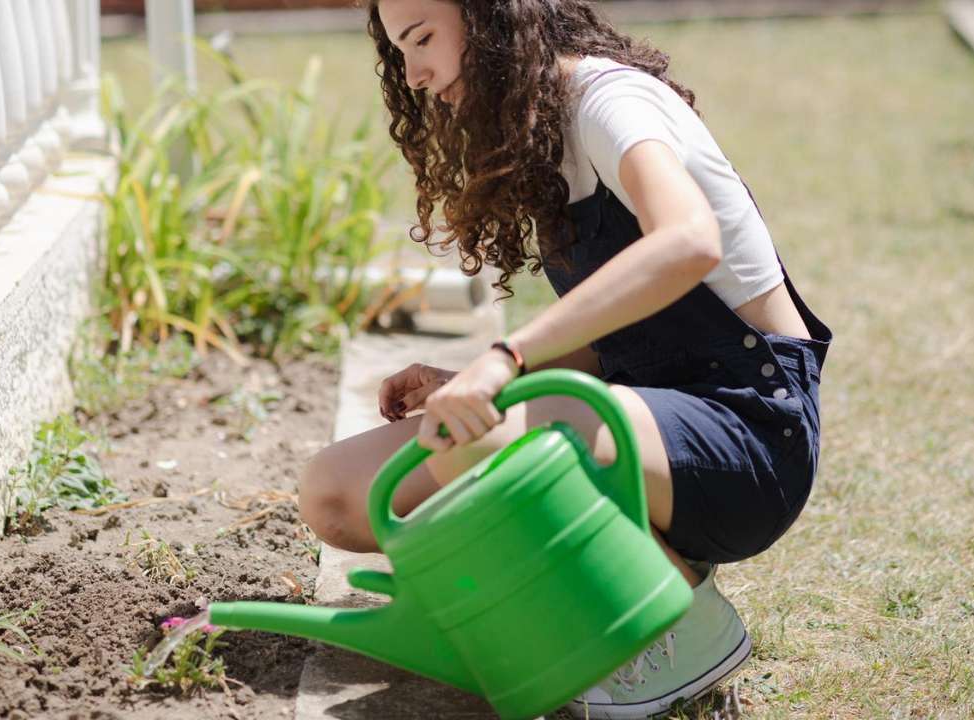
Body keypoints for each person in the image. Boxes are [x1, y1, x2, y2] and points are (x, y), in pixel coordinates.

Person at [298, 0, 833, 717]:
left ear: (491, 17)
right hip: (642, 424)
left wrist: (506, 356)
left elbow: (689, 242)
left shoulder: (610, 100)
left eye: (423, 38)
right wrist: (473, 381)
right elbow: (625, 337)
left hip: (750, 431)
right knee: (334, 491)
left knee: (480, 442)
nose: (416, 73)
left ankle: (676, 626)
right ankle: (597, 588)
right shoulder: (538, 137)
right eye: (401, 53)